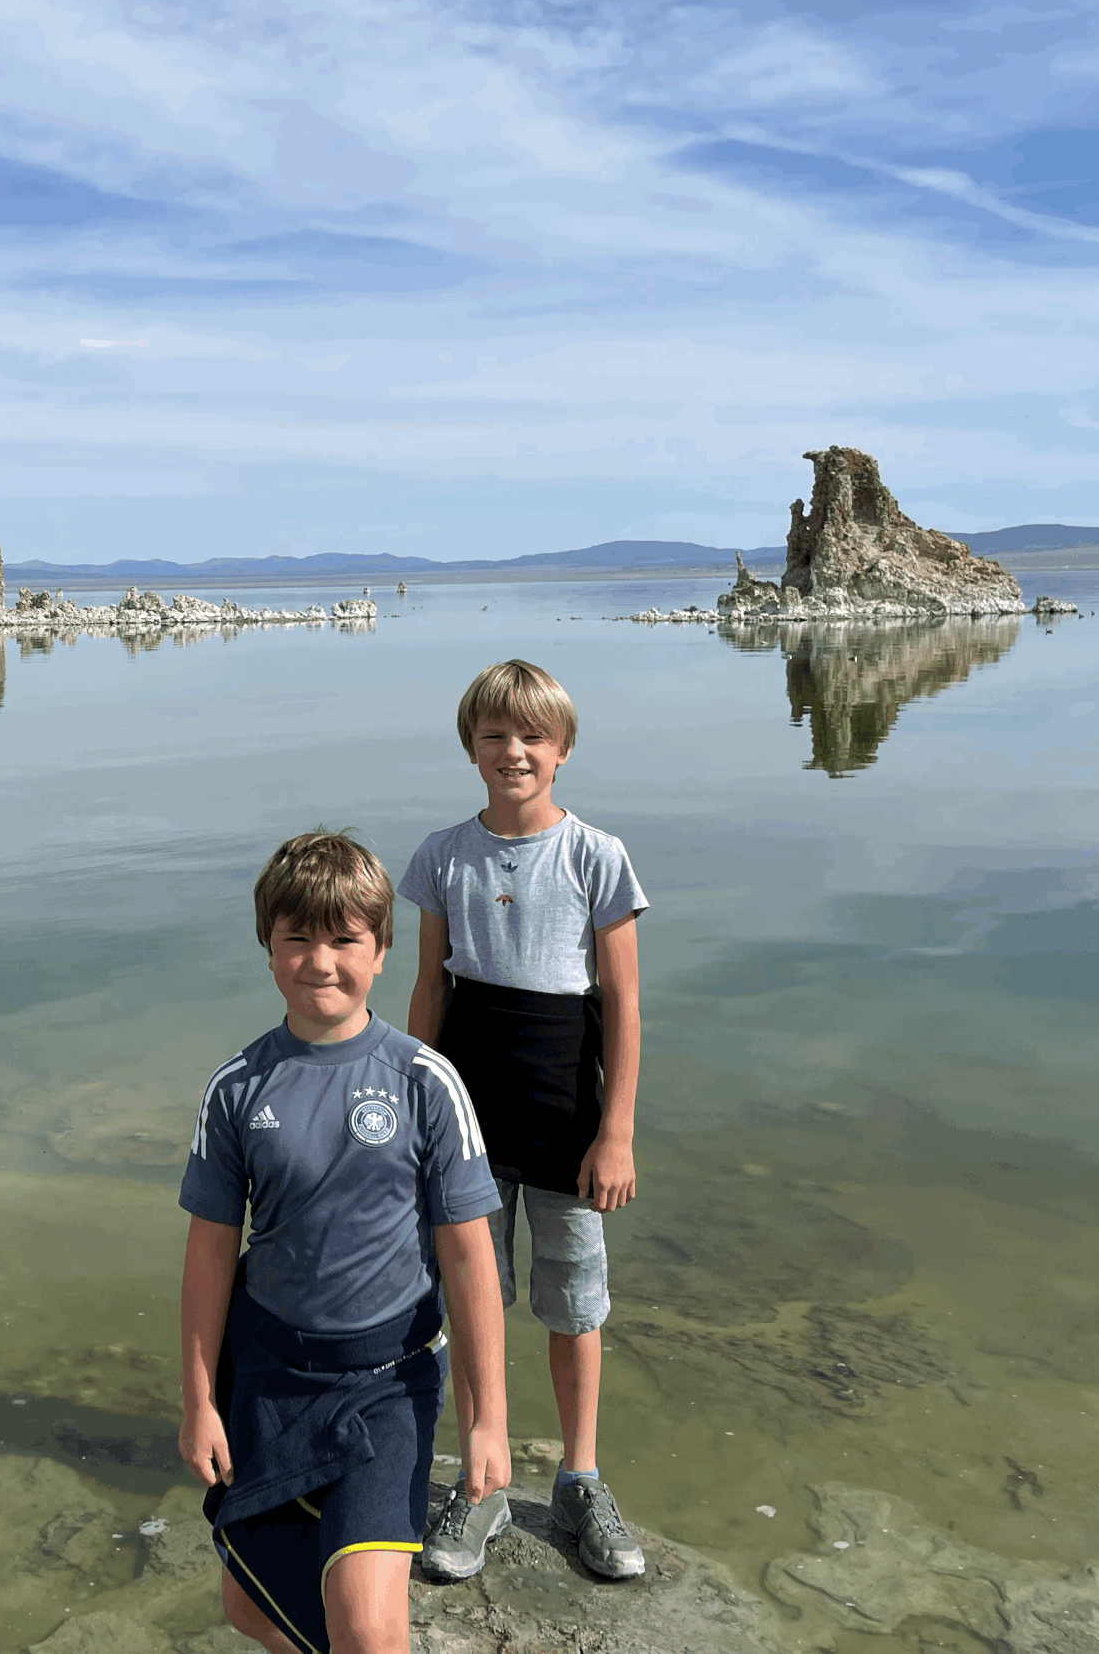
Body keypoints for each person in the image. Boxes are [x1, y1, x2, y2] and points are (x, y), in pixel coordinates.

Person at [178, 831, 509, 1654]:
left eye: (344, 939)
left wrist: (488, 1418)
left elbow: (470, 1258)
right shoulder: (238, 1087)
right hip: (268, 1377)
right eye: (297, 936)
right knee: (249, 1603)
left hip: (386, 1382)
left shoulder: (425, 1080)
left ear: (383, 948)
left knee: (365, 1624)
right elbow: (210, 1254)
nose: (319, 961)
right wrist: (196, 1401)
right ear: (268, 948)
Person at [398, 659, 647, 1582]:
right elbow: (429, 987)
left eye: (532, 736)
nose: (514, 751)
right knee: (472, 1299)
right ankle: (485, 1474)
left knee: (574, 1302)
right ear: (471, 747)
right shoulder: (441, 855)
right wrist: (419, 1109)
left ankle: (580, 1476)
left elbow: (620, 1007)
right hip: (465, 1119)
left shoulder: (597, 856)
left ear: (563, 750)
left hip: (567, 1125)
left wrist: (614, 1131)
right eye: (495, 735)